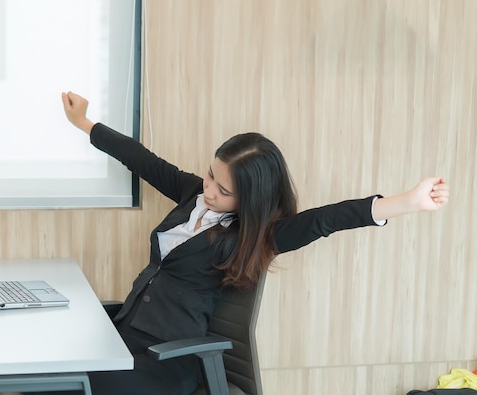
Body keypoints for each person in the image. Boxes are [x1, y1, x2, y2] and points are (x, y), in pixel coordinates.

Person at [58, 91, 449, 395]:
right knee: (50, 367)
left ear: (250, 200)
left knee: (73, 383)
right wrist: (84, 122)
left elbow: (327, 219)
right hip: (126, 335)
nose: (208, 191)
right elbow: (141, 159)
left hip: (168, 358)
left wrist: (407, 202)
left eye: (223, 190)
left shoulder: (256, 234)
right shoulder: (193, 193)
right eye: (211, 175)